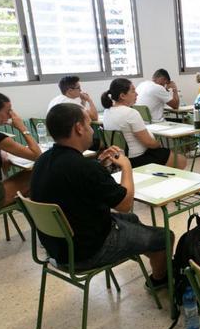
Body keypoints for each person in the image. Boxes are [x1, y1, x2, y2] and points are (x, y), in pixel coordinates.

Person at [30, 103, 169, 286]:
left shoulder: (43, 160)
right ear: (79, 128)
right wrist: (126, 166)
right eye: (89, 125)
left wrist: (100, 166)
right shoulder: (84, 168)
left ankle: (146, 249)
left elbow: (78, 183)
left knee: (134, 221)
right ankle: (159, 281)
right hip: (89, 251)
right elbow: (125, 204)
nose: (91, 131)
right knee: (165, 236)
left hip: (58, 248)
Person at [101, 78, 186, 169]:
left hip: (119, 158)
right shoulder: (130, 113)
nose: (137, 94)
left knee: (165, 153)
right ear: (122, 95)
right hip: (137, 159)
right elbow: (149, 142)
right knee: (181, 160)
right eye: (133, 91)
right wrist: (158, 144)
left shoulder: (107, 112)